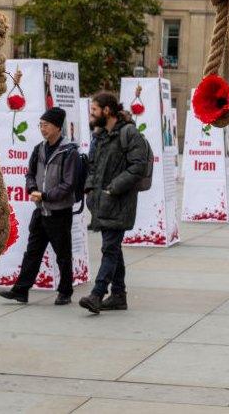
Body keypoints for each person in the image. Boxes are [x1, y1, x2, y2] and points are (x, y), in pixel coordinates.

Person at [0, 107, 79, 305]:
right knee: (33, 251)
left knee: (63, 254)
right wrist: (32, 188)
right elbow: (30, 174)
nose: (42, 129)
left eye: (46, 125)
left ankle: (65, 292)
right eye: (41, 125)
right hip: (40, 210)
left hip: (59, 212)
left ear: (58, 127)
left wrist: (45, 195)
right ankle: (21, 290)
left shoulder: (69, 152)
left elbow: (69, 184)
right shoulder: (39, 149)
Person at [79, 92, 150, 314]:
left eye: (94, 111)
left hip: (119, 201)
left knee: (109, 248)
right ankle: (118, 295)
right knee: (113, 248)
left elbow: (138, 166)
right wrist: (90, 190)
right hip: (101, 202)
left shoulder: (129, 133)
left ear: (107, 111)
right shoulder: (100, 136)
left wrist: (113, 188)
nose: (91, 115)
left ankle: (97, 294)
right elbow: (92, 165)